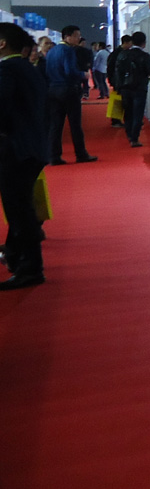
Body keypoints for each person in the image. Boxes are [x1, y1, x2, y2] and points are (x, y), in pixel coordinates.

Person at [0, 22, 50, 289]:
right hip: (31, 147)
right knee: (20, 207)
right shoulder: (27, 68)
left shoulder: (7, 70)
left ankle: (30, 268)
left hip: (15, 149)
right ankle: (15, 255)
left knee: (19, 210)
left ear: (2, 43)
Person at [45, 25, 97, 165]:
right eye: (76, 36)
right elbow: (70, 71)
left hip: (53, 89)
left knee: (56, 125)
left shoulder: (51, 51)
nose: (78, 38)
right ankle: (81, 154)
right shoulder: (68, 51)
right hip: (68, 89)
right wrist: (83, 74)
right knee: (75, 124)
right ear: (67, 37)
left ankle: (53, 156)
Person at [117, 31, 150, 147]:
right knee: (138, 113)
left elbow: (118, 72)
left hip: (125, 88)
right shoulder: (145, 56)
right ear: (144, 43)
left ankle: (129, 134)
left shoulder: (123, 55)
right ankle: (134, 138)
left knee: (128, 112)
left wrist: (119, 86)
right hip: (139, 88)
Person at [107, 35, 132, 126]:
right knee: (118, 100)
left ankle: (117, 120)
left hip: (119, 80)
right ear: (126, 42)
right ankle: (115, 121)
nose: (131, 45)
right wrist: (111, 80)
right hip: (118, 80)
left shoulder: (120, 52)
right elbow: (110, 67)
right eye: (130, 43)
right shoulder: (117, 53)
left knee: (120, 100)